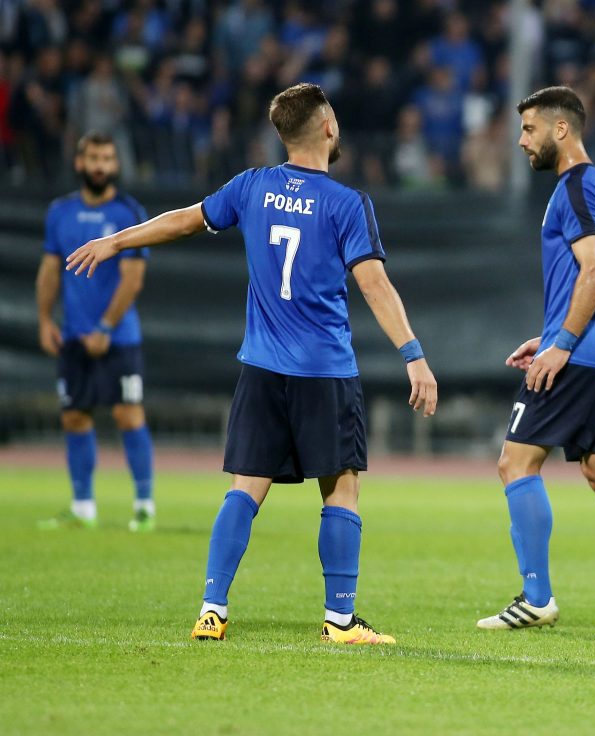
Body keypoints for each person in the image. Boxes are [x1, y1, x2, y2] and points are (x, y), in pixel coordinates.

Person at [66, 83, 438, 646]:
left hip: (262, 368)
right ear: (329, 127)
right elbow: (374, 285)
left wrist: (117, 241)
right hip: (325, 371)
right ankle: (340, 620)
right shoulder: (347, 203)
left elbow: (184, 220)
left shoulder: (252, 186)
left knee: (245, 488)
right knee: (341, 488)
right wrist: (413, 354)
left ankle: (211, 610)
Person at [476, 86, 595, 635]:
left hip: (580, 355)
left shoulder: (577, 186)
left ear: (561, 129)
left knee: (515, 462)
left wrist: (561, 343)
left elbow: (593, 270)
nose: (521, 141)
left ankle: (536, 598)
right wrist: (551, 334)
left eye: (529, 129)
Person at [36, 132, 155, 533]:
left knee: (127, 413)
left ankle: (144, 505)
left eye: (107, 158)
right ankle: (83, 506)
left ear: (116, 164)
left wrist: (105, 326)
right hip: (73, 336)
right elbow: (50, 270)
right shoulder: (60, 212)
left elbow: (133, 278)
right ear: (80, 162)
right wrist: (45, 320)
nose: (100, 165)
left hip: (119, 337)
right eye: (93, 158)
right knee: (74, 416)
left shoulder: (129, 212)